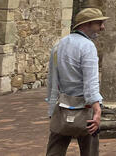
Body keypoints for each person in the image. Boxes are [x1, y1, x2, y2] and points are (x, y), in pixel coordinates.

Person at [46, 8, 108, 156]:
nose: (102, 27)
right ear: (87, 24)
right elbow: (91, 83)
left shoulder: (59, 45)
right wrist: (97, 109)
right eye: (99, 23)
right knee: (90, 151)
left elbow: (52, 79)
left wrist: (51, 106)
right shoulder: (88, 46)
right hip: (85, 107)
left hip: (62, 105)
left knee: (55, 150)